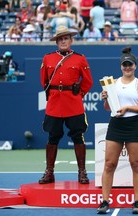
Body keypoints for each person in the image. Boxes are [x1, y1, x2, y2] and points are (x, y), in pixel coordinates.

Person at [97, 47, 138, 214]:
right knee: (109, 164)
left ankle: (137, 202)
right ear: (121, 66)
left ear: (135, 66)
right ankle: (105, 201)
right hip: (116, 124)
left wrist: (128, 108)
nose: (127, 67)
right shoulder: (112, 84)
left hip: (133, 124)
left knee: (136, 164)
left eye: (130, 65)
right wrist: (105, 100)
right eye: (124, 65)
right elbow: (108, 108)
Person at [39, 25, 93, 185]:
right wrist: (53, 95)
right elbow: (44, 81)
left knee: (78, 136)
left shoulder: (79, 58)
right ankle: (49, 172)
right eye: (60, 39)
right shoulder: (48, 58)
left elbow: (88, 81)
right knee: (52, 137)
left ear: (71, 40)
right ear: (56, 42)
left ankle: (82, 172)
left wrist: (78, 94)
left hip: (73, 103)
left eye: (66, 38)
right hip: (55, 103)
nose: (63, 41)